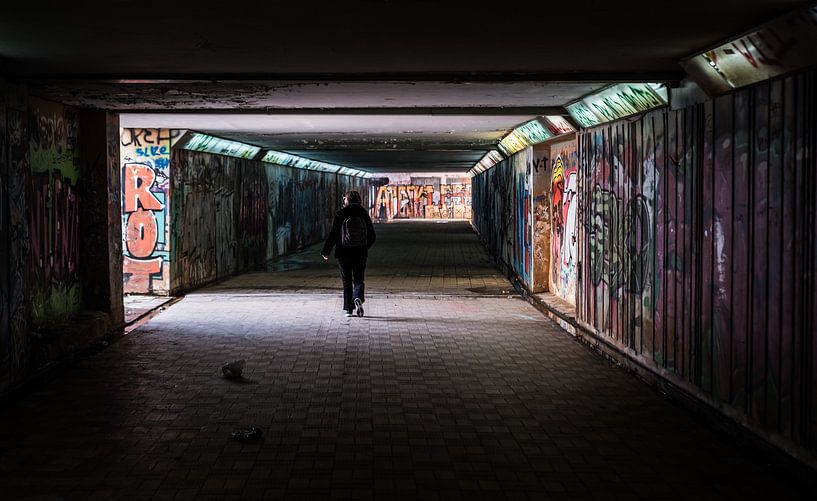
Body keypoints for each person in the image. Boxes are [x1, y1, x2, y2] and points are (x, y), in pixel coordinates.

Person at [321, 191, 376, 317]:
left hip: (343, 253)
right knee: (359, 279)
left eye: (345, 199)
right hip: (360, 253)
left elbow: (333, 234)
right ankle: (357, 298)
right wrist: (364, 247)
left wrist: (325, 251)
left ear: (347, 200)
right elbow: (372, 236)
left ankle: (348, 310)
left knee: (346, 281)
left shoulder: (341, 214)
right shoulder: (363, 213)